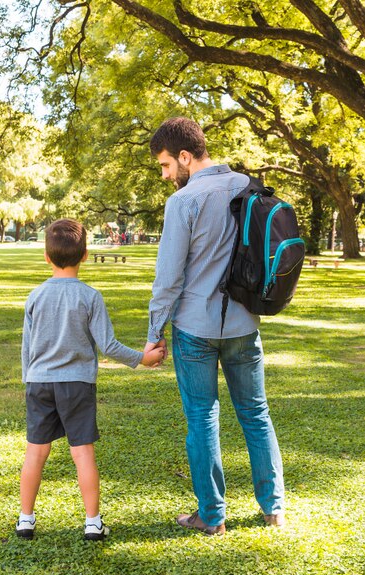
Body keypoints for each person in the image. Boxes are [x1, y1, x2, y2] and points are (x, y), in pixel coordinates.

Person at [144, 117, 285, 536]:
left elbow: (168, 277)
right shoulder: (248, 187)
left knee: (202, 418)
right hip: (244, 324)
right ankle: (273, 508)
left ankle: (212, 515)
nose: (167, 175)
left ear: (186, 156)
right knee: (256, 413)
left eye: (167, 165)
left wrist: (155, 331)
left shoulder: (184, 201)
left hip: (195, 328)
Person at [17, 218, 164, 541]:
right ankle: (92, 522)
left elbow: (27, 348)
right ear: (85, 256)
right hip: (77, 385)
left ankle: (25, 519)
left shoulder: (35, 296)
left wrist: (30, 379)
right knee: (82, 452)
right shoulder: (90, 297)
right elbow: (108, 346)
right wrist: (143, 359)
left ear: (46, 256)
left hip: (39, 383)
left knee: (35, 453)